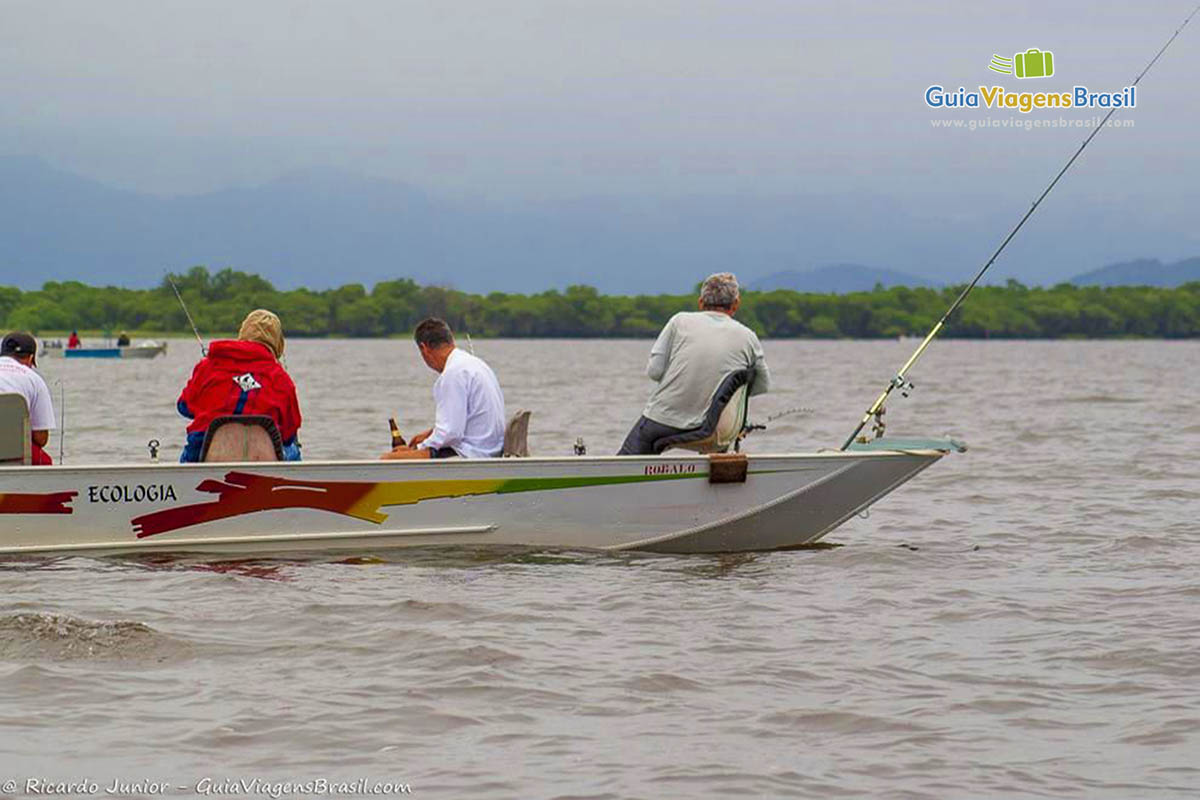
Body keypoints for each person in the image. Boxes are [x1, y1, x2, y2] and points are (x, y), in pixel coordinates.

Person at [618, 272, 770, 455]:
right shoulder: (748, 337)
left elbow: (654, 372)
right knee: (724, 431)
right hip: (715, 431)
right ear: (736, 304)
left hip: (662, 422)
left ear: (700, 303)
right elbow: (762, 385)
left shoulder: (679, 321)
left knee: (634, 448)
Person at [176, 309, 302, 462]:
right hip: (265, 460)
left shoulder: (208, 366)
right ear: (278, 343)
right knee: (293, 448)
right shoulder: (282, 380)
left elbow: (183, 407)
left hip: (202, 454)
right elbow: (289, 432)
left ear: (243, 333)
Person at [382, 318, 505, 459]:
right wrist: (429, 435)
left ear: (423, 348)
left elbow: (451, 434)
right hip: (489, 449)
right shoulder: (475, 364)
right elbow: (462, 421)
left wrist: (418, 448)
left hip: (471, 454)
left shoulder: (452, 374)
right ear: (451, 340)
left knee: (389, 459)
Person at [0, 332, 56, 465]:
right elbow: (41, 438)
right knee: (46, 462)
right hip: (13, 451)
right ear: (31, 358)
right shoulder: (34, 379)